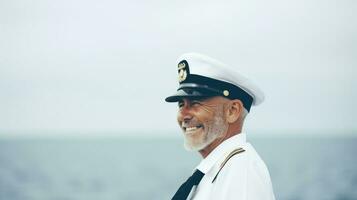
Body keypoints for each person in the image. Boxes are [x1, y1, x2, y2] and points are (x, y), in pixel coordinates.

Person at [165, 53, 276, 200]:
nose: (184, 115)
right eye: (181, 105)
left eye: (196, 103)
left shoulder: (241, 171)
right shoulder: (217, 170)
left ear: (232, 111)